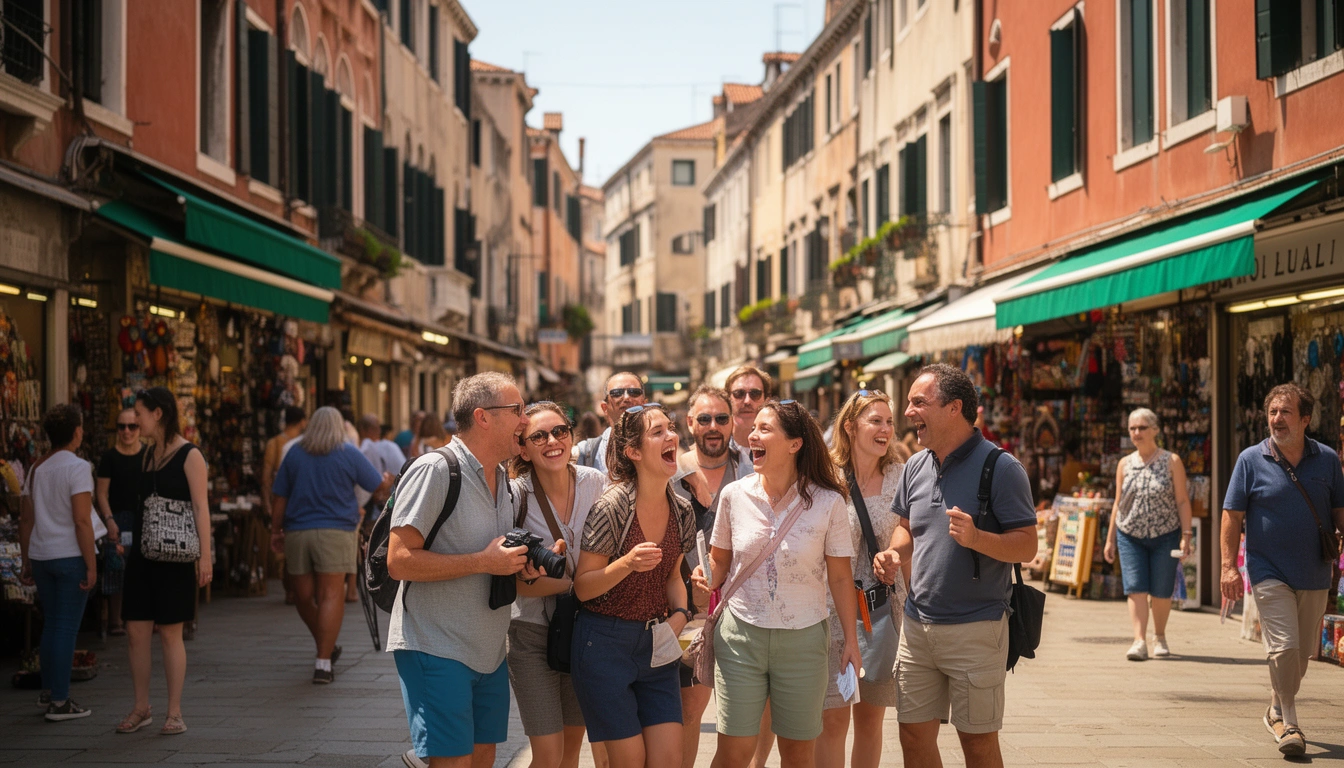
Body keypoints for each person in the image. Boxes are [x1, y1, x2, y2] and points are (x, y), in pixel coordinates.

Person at [873, 365, 1037, 768]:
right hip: (917, 626)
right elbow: (907, 531)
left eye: (918, 402)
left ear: (954, 408)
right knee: (911, 734)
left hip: (977, 627)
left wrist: (978, 537)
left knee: (977, 743)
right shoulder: (915, 466)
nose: (908, 412)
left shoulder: (1002, 468)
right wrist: (895, 553)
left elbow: (1028, 546)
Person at [386, 372, 545, 768]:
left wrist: (519, 566)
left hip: (489, 652)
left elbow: (492, 554)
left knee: (482, 760)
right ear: (483, 417)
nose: (526, 420)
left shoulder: (502, 478)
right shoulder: (436, 470)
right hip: (436, 645)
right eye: (518, 410)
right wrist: (482, 562)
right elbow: (399, 559)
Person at [691, 399, 859, 768]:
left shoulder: (829, 501)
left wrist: (850, 640)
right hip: (740, 638)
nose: (752, 435)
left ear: (795, 443)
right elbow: (720, 562)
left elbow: (841, 576)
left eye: (765, 429)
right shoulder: (735, 495)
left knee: (798, 754)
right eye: (753, 430)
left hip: (805, 639)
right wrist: (705, 578)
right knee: (734, 751)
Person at [1221, 383, 1344, 758]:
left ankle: (1276, 702)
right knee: (1284, 645)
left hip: (1314, 571)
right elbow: (1232, 515)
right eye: (1272, 412)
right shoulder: (1250, 460)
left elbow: (1339, 512)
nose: (1276, 419)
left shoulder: (1327, 460)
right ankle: (1289, 722)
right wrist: (1229, 567)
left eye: (1285, 412)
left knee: (1302, 653)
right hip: (1267, 568)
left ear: (1305, 419)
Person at [571, 403, 697, 768]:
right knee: (629, 762)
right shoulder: (610, 508)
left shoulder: (682, 511)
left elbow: (674, 577)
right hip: (603, 645)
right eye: (657, 432)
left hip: (657, 645)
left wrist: (679, 613)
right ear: (634, 452)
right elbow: (583, 587)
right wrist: (627, 564)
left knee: (668, 759)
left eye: (670, 428)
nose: (671, 436)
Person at [507, 402, 606, 768]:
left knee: (570, 752)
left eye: (560, 431)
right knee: (547, 755)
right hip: (530, 633)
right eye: (539, 436)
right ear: (523, 448)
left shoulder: (595, 482)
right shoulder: (515, 496)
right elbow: (513, 585)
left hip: (583, 633)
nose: (552, 441)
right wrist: (545, 577)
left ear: (571, 435)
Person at [271, 407, 393, 683]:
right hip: (336, 532)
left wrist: (274, 530)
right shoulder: (348, 452)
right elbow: (376, 485)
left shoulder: (295, 453)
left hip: (297, 531)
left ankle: (324, 651)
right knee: (330, 595)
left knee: (302, 596)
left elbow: (279, 496)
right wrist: (382, 486)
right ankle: (324, 661)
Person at [816, 390, 905, 768]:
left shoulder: (902, 474)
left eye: (889, 421)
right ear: (850, 427)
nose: (885, 429)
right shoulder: (826, 477)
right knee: (833, 718)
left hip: (883, 608)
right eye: (875, 421)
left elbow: (907, 527)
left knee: (871, 717)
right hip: (833, 608)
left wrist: (895, 552)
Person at [118, 387, 213, 736]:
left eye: (139, 413)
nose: (134, 420)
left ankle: (174, 712)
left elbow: (202, 507)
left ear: (157, 413)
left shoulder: (190, 455)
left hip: (175, 558)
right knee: (135, 632)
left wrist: (205, 556)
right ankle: (141, 706)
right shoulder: (146, 455)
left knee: (171, 634)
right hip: (143, 556)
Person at [669, 386, 753, 768]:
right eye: (704, 419)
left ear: (733, 420)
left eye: (721, 418)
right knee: (690, 708)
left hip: (743, 610)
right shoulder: (672, 473)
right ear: (690, 424)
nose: (714, 427)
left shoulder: (752, 466)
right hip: (691, 610)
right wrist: (688, 468)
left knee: (740, 715)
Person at [18, 405, 98, 721]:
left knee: (52, 624)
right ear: (77, 432)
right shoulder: (78, 467)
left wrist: (25, 561)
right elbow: (81, 520)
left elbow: (25, 519)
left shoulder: (36, 468)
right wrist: (91, 565)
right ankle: (61, 701)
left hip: (41, 556)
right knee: (65, 628)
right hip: (69, 556)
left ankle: (50, 692)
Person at [1102, 408, 1194, 662]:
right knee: (1136, 588)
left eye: (1142, 427)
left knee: (1162, 590)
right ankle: (1139, 640)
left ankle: (1160, 636)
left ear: (1155, 430)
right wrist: (1110, 539)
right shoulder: (1125, 464)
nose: (1136, 433)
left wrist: (1187, 535)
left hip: (1165, 534)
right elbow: (1118, 502)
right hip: (1130, 533)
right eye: (1132, 428)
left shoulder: (1171, 461)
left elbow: (1183, 501)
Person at [96, 407, 144, 637]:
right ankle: (115, 620)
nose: (127, 431)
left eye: (132, 426)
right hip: (117, 520)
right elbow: (101, 493)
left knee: (143, 568)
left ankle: (143, 617)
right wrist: (109, 520)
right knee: (115, 567)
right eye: (121, 426)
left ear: (140, 428)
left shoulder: (148, 455)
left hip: (142, 519)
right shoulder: (109, 457)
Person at [575, 372, 647, 471]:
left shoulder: (660, 445)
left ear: (644, 404)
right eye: (617, 393)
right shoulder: (584, 453)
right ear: (605, 408)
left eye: (634, 392)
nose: (626, 398)